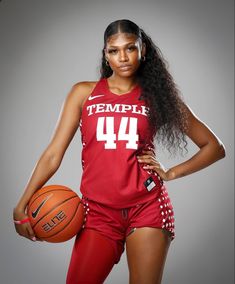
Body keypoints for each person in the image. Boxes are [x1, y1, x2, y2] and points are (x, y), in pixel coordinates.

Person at [13, 19, 226, 284]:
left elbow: (214, 147)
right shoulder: (84, 93)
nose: (123, 57)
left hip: (147, 207)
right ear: (105, 54)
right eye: (114, 50)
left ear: (143, 49)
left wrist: (171, 172)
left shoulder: (157, 96)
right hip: (98, 213)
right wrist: (23, 202)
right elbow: (53, 154)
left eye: (130, 48)